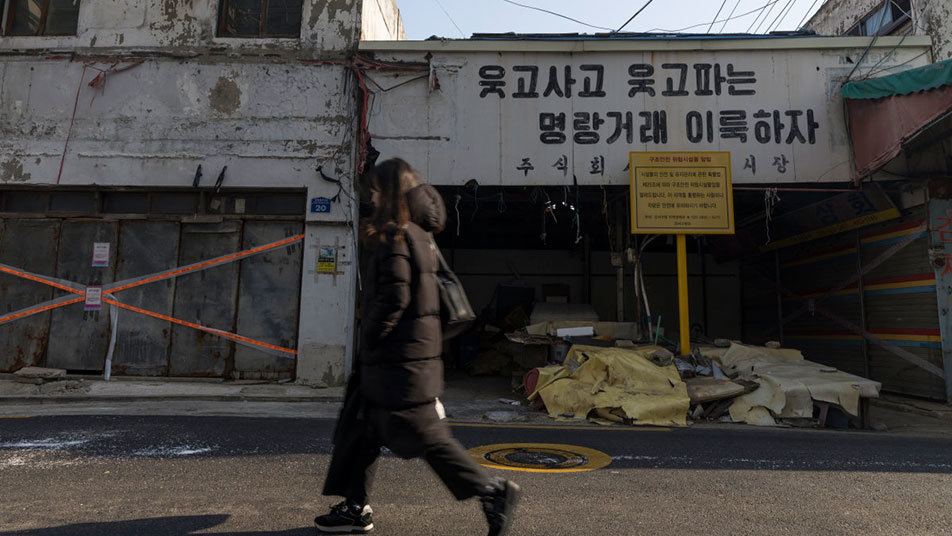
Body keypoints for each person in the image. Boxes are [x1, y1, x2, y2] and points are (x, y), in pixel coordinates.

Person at [316, 158, 520, 535]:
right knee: (359, 433)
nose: (372, 197)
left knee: (429, 437)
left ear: (390, 193)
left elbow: (394, 298)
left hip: (398, 364)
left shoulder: (396, 235)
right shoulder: (421, 236)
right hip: (400, 361)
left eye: (376, 190)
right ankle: (354, 506)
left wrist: (371, 337)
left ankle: (491, 492)